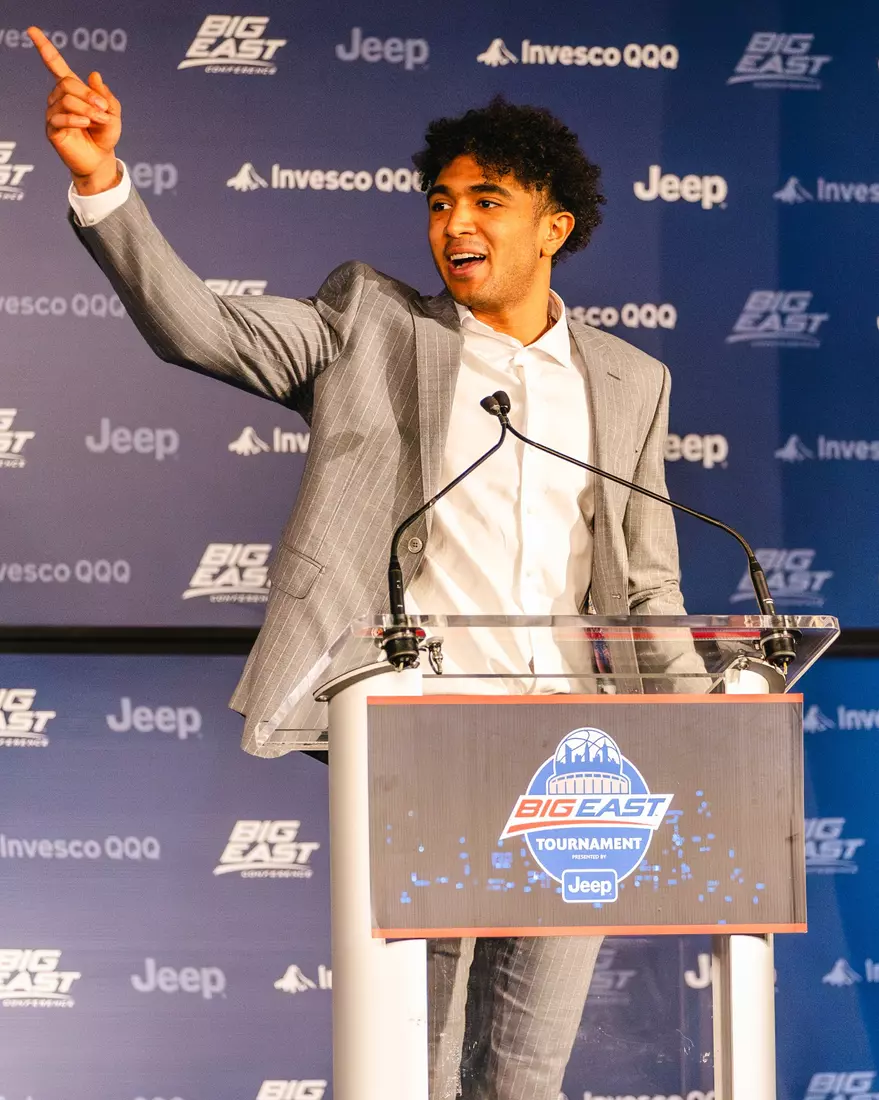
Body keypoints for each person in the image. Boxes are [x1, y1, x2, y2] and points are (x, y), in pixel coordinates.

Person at [30, 25, 700, 1100]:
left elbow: (652, 581)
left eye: (486, 200)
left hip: (588, 755)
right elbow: (201, 329)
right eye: (440, 202)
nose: (455, 222)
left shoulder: (629, 380)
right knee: (413, 1065)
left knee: (526, 1073)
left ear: (553, 225)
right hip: (424, 738)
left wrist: (708, 728)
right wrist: (105, 183)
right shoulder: (372, 323)